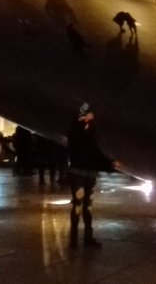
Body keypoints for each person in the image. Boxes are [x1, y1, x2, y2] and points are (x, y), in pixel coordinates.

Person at [66, 103, 116, 249]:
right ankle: (79, 239)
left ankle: (80, 239)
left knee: (84, 206)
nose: (90, 120)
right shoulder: (78, 134)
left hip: (84, 175)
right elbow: (97, 155)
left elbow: (97, 155)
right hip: (80, 175)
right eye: (88, 118)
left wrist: (109, 163)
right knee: (80, 206)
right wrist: (86, 104)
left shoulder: (85, 136)